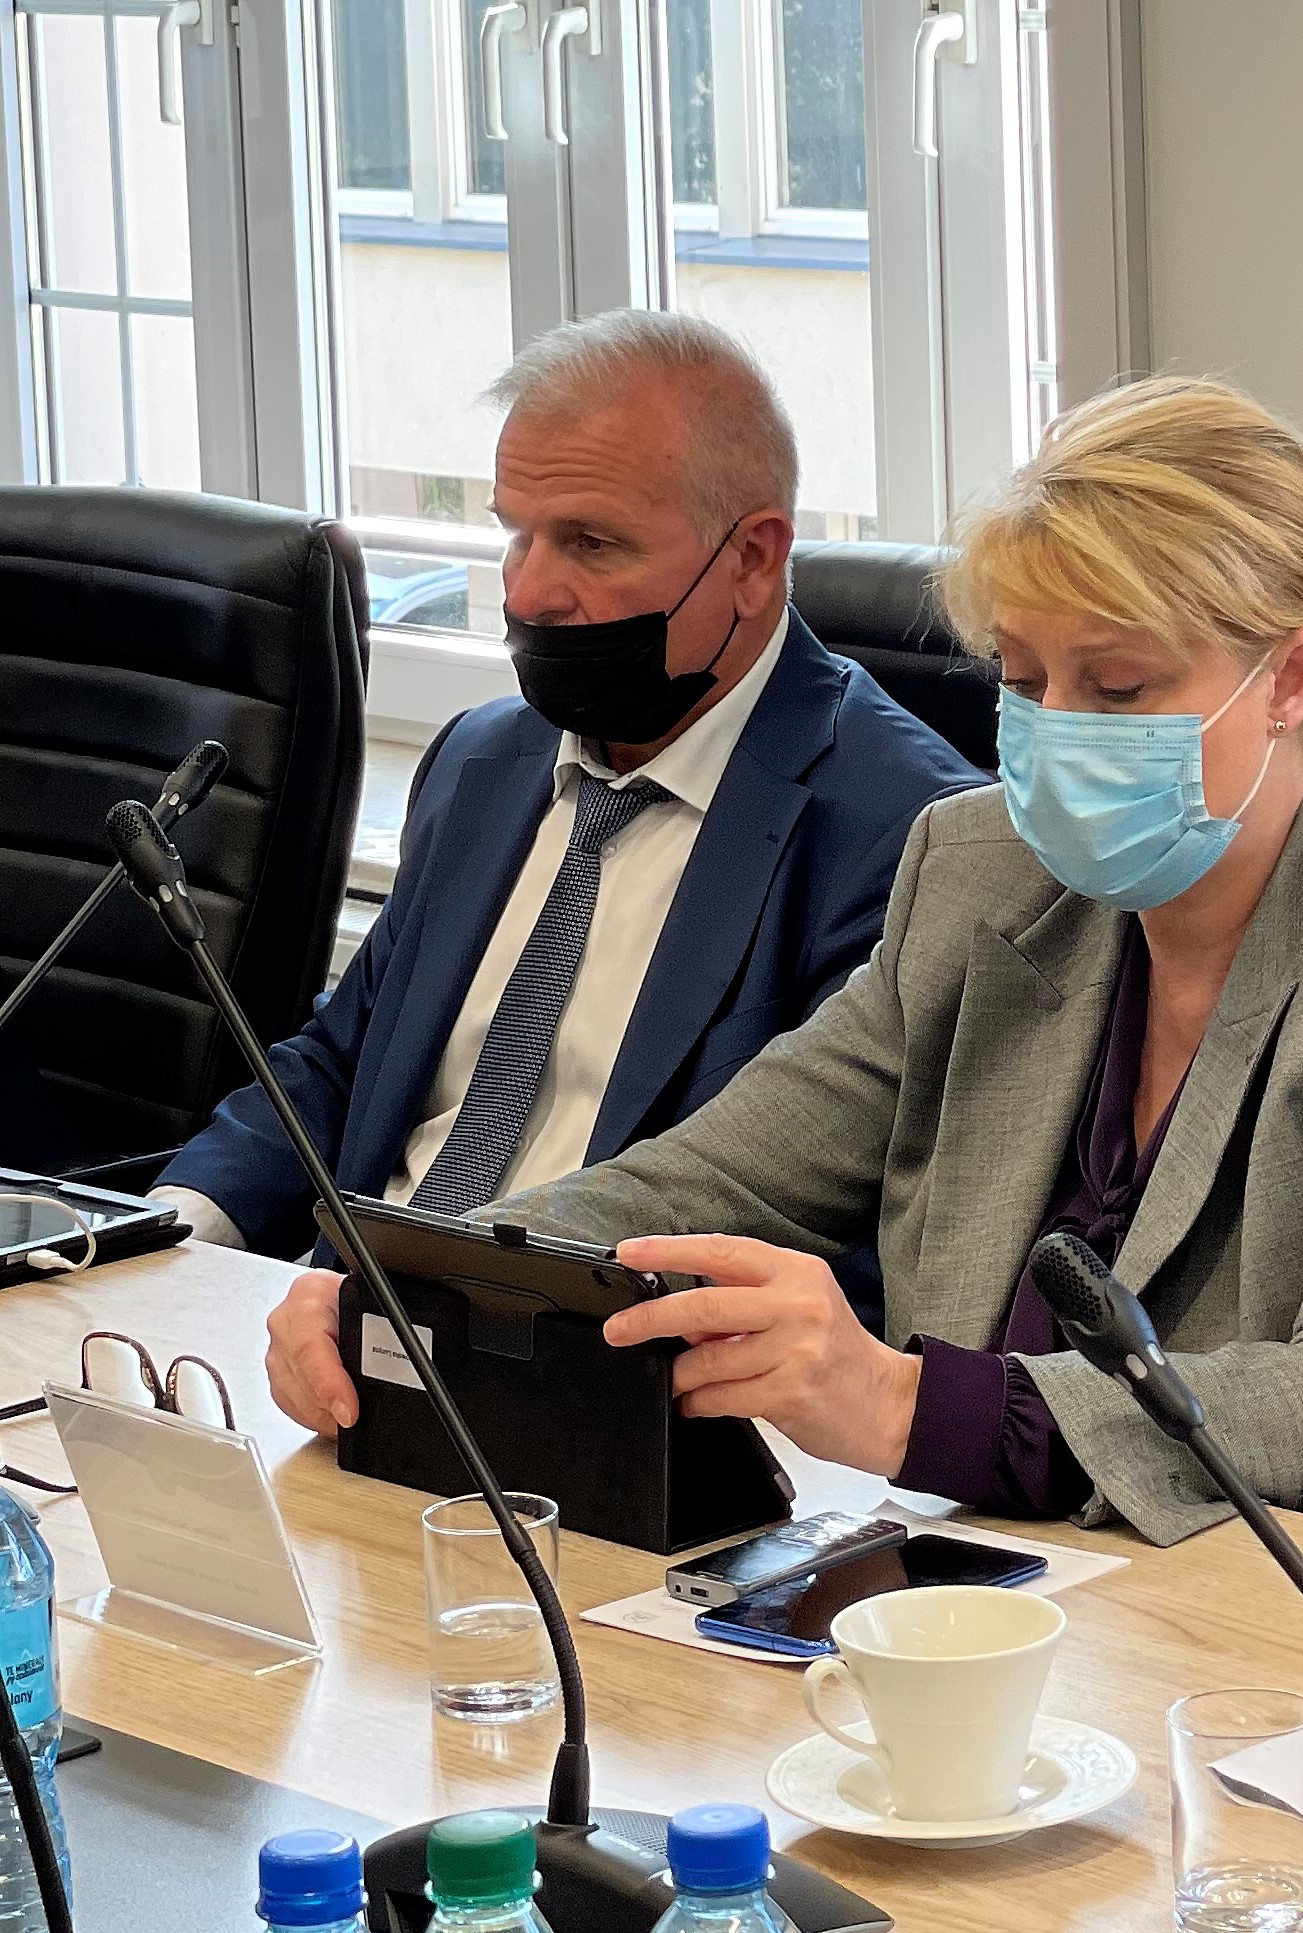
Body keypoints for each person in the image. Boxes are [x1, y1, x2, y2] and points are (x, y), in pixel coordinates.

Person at [263, 376, 1303, 1584]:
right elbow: (715, 1175)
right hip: (1070, 1591)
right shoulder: (980, 871)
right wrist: (419, 1276)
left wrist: (901, 1403)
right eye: (1024, 681)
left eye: (1120, 685)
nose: (1055, 730)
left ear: (1291, 679)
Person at [164, 311, 983, 1260]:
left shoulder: (909, 837)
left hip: (605, 1332)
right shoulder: (479, 760)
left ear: (753, 560)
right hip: (343, 1311)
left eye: (591, 543)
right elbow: (342, 1063)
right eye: (517, 535)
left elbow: (847, 1232)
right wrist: (171, 1229)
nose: (527, 594)